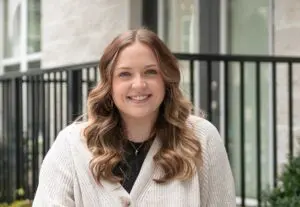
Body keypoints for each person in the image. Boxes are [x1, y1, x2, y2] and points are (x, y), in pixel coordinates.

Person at [32, 28, 236, 207]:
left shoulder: (202, 138)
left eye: (150, 72)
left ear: (166, 79)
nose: (139, 84)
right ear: (108, 84)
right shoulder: (70, 146)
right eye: (125, 74)